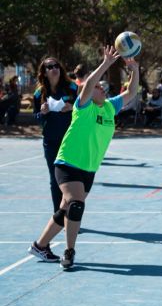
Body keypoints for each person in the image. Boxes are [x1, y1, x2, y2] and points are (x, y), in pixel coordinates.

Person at [27, 46, 139, 268]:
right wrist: (106, 64)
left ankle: (40, 246)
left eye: (103, 87)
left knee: (66, 208)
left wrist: (135, 69)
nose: (102, 88)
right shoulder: (82, 106)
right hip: (68, 162)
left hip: (89, 168)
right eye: (99, 86)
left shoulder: (109, 107)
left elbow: (131, 93)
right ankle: (69, 252)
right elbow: (88, 85)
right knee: (76, 204)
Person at [33, 58, 79, 213]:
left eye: (57, 66)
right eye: (50, 67)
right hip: (51, 141)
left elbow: (82, 109)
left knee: (71, 180)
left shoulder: (72, 87)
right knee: (55, 180)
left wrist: (72, 108)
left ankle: (71, 216)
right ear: (44, 72)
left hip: (70, 140)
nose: (54, 69)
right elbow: (37, 117)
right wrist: (42, 113)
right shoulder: (39, 93)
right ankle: (58, 216)